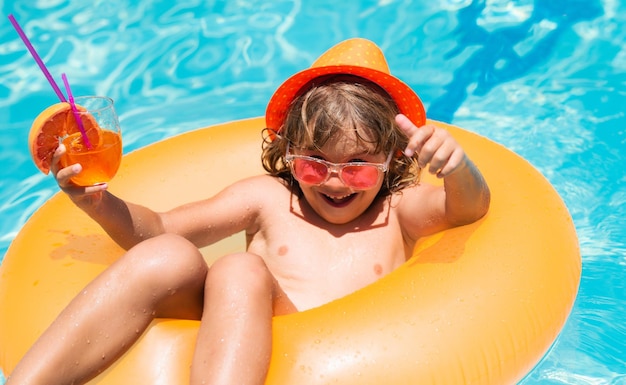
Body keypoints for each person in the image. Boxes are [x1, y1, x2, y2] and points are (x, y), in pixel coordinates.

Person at [7, 38, 490, 385]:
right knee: (170, 257)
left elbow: (468, 208)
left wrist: (457, 165)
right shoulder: (267, 198)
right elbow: (155, 231)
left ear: (393, 161)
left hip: (351, 360)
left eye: (359, 167)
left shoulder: (398, 209)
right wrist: (95, 201)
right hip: (236, 333)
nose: (337, 180)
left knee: (237, 267)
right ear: (287, 152)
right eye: (313, 164)